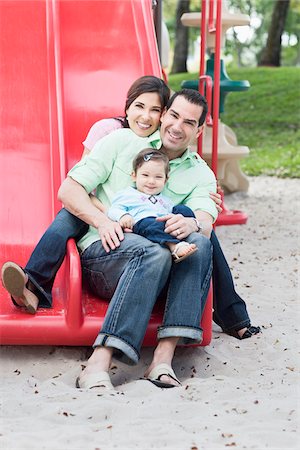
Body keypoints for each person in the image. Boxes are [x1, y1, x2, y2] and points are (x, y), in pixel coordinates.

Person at [1, 75, 260, 341]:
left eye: (155, 110)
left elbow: (196, 217)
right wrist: (107, 218)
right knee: (69, 215)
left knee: (201, 233)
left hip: (153, 232)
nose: (147, 117)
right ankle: (33, 281)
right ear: (127, 108)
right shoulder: (112, 135)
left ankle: (231, 314)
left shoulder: (192, 169)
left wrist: (199, 216)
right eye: (141, 107)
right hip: (102, 213)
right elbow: (77, 187)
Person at [58, 88, 216, 389]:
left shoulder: (201, 174)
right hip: (106, 257)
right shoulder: (121, 142)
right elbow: (68, 190)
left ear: (198, 131)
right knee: (152, 252)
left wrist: (192, 222)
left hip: (161, 272)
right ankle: (99, 361)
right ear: (164, 113)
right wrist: (103, 221)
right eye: (173, 115)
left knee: (199, 243)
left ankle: (162, 359)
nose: (177, 126)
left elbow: (206, 220)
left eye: (189, 122)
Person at [108, 148, 198, 262]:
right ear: (134, 176)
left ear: (166, 180)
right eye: (145, 175)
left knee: (183, 210)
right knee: (151, 222)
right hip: (142, 224)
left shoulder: (165, 200)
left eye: (158, 177)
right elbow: (113, 209)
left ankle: (190, 238)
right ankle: (174, 247)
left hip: (164, 224)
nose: (151, 181)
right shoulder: (128, 194)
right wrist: (123, 216)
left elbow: (171, 215)